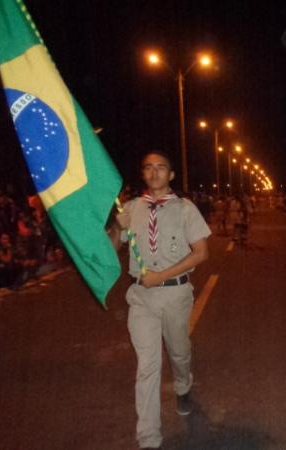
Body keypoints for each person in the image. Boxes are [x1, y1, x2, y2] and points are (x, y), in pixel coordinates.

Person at [110, 151, 210, 450]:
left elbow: (201, 253)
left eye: (161, 168)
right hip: (141, 296)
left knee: (179, 352)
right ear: (143, 174)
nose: (154, 172)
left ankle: (183, 385)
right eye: (148, 168)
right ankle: (149, 438)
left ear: (171, 175)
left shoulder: (185, 209)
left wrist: (162, 275)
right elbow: (112, 248)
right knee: (147, 365)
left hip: (175, 294)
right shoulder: (130, 208)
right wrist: (118, 227)